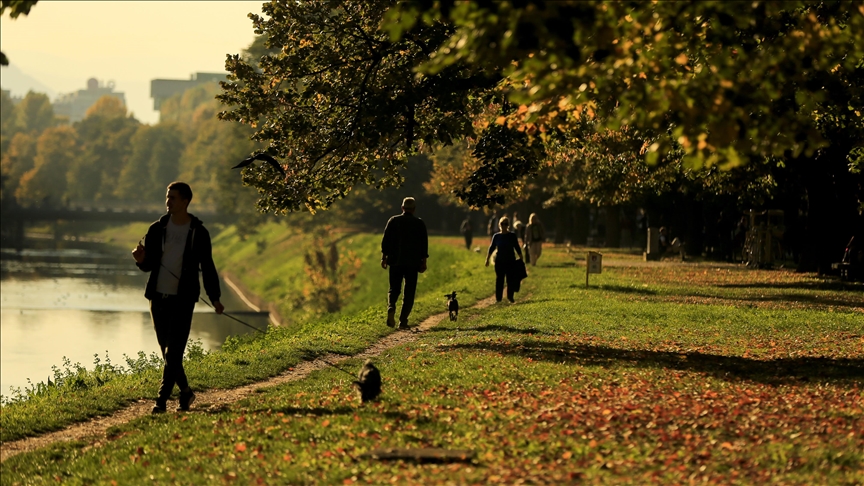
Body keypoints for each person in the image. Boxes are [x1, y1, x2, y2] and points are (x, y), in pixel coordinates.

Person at [132, 182, 223, 414]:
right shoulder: (156, 229)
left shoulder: (199, 233)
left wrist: (215, 298)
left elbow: (208, 266)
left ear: (185, 201)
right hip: (157, 297)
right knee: (166, 350)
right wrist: (141, 259)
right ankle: (186, 392)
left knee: (174, 352)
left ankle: (161, 401)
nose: (168, 201)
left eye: (173, 198)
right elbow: (149, 266)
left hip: (183, 299)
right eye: (167, 197)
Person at [381, 197, 429, 329]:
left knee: (394, 288)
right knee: (409, 291)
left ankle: (391, 306)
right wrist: (423, 261)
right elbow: (424, 245)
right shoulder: (419, 223)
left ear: (402, 208)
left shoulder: (393, 221)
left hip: (395, 261)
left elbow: (385, 241)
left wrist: (384, 257)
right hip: (412, 263)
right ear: (413, 209)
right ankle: (403, 321)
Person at [485, 216, 524, 303]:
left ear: (508, 225)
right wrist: (487, 259)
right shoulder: (496, 236)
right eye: (502, 224)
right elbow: (491, 248)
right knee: (499, 280)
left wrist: (521, 256)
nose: (504, 226)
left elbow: (517, 247)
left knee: (510, 280)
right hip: (499, 261)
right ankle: (498, 298)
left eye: (506, 224)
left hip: (510, 261)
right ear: (499, 225)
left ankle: (510, 297)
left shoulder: (512, 236)